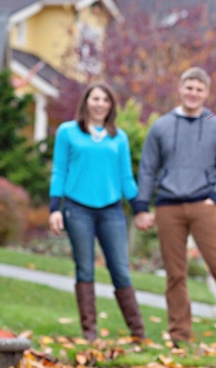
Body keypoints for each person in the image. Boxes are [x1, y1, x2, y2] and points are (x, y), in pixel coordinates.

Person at [132, 67, 216, 350]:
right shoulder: (161, 127)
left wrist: (214, 197)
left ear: (206, 93)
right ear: (180, 89)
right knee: (175, 274)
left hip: (204, 205)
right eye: (189, 87)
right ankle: (179, 335)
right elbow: (148, 169)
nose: (193, 93)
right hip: (168, 207)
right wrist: (142, 206)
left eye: (199, 89)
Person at [48, 83, 147, 343]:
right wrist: (54, 209)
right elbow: (59, 171)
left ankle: (138, 332)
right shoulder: (67, 132)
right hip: (76, 208)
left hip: (111, 210)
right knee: (85, 269)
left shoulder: (119, 137)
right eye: (95, 98)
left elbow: (126, 177)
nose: (100, 103)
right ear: (86, 102)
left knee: (121, 270)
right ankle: (89, 332)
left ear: (111, 105)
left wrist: (140, 208)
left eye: (105, 99)